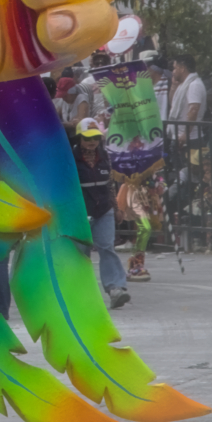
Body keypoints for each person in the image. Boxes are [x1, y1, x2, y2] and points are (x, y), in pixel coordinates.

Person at [72, 119, 129, 309]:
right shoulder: (70, 158)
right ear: (79, 138)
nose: (92, 142)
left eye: (95, 138)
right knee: (80, 253)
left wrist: (116, 208)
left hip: (104, 210)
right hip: (80, 213)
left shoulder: (104, 156)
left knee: (107, 247)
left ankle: (115, 289)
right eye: (87, 138)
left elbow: (110, 185)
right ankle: (81, 293)